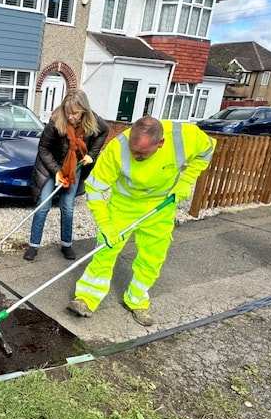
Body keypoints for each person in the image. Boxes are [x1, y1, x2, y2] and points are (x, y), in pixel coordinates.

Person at [67, 116, 216, 326]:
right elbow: (94, 189)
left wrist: (187, 180)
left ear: (160, 143)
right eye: (133, 150)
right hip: (124, 205)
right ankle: (86, 297)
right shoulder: (117, 148)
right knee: (105, 250)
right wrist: (106, 225)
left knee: (152, 258)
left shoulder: (185, 137)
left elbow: (208, 149)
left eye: (142, 153)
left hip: (160, 206)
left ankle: (136, 299)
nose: (135, 155)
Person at [23, 90, 109, 262]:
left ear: (84, 110)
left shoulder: (93, 120)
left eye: (75, 113)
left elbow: (104, 132)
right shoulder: (56, 122)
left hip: (74, 165)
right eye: (68, 112)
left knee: (68, 207)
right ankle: (33, 245)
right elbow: (43, 149)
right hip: (50, 166)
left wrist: (92, 154)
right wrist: (56, 172)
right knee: (44, 204)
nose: (70, 116)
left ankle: (66, 244)